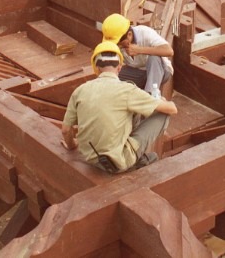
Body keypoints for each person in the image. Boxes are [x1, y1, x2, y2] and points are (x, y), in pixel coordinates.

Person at [62, 41, 177, 173]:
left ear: (96, 67)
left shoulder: (80, 90)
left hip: (90, 158)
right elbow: (172, 110)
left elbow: (65, 130)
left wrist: (72, 145)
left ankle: (132, 152)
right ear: (120, 67)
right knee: (163, 114)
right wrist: (163, 102)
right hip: (116, 163)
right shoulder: (127, 90)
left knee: (131, 111)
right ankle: (136, 158)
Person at [101, 13, 173, 99]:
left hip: (160, 71)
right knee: (108, 75)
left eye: (119, 43)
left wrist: (139, 50)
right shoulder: (117, 44)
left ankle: (150, 98)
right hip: (138, 73)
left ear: (129, 35)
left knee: (154, 58)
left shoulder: (144, 32)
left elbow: (169, 51)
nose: (118, 45)